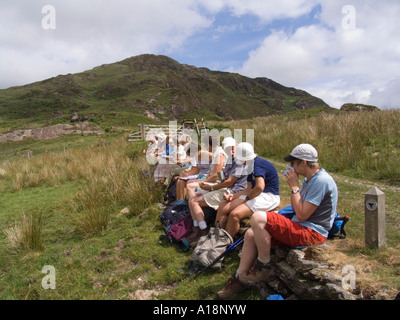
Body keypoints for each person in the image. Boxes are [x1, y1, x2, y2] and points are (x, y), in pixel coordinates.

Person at [217, 143, 339, 299]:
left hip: (312, 233)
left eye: (293, 163)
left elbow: (302, 215)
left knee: (258, 218)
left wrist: (294, 188)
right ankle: (240, 278)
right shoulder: (310, 180)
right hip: (301, 225)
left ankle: (263, 266)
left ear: (303, 163)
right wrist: (294, 190)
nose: (291, 167)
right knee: (250, 233)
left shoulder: (321, 181)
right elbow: (297, 208)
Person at [186, 137, 248, 247]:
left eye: (232, 148)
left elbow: (229, 182)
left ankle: (202, 232)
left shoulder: (238, 161)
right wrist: (212, 182)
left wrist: (211, 187)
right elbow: (223, 176)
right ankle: (198, 229)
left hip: (232, 191)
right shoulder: (230, 159)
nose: (231, 151)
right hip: (227, 189)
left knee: (194, 201)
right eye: (228, 149)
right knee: (193, 199)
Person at [215, 142, 280, 239]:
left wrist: (247, 199)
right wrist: (234, 196)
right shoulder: (250, 165)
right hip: (257, 194)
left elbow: (260, 186)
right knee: (223, 207)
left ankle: (225, 243)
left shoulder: (257, 164)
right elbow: (248, 188)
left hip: (268, 196)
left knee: (235, 214)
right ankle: (216, 236)